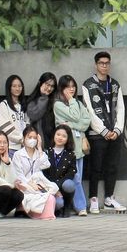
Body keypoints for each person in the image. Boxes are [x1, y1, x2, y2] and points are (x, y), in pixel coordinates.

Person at [82, 51, 127, 213]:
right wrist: (102, 130)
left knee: (112, 166)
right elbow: (88, 110)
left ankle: (109, 198)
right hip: (97, 134)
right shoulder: (88, 85)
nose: (104, 66)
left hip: (115, 133)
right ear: (96, 65)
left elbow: (121, 108)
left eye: (107, 63)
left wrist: (117, 129)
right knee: (96, 167)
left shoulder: (115, 84)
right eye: (101, 63)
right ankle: (93, 198)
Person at [53, 75, 91, 216]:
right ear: (62, 89)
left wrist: (72, 125)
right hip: (67, 147)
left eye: (73, 86)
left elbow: (86, 121)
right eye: (68, 86)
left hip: (79, 147)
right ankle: (80, 206)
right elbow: (76, 115)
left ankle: (76, 205)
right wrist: (71, 101)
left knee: (78, 178)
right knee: (74, 178)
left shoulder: (78, 103)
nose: (71, 89)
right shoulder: (58, 105)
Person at [12, 126, 58, 220]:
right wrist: (30, 184)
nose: (32, 140)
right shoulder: (18, 155)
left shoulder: (39, 154)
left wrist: (40, 148)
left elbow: (46, 164)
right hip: (25, 185)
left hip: (39, 185)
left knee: (54, 197)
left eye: (34, 138)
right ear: (24, 139)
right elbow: (19, 174)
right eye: (29, 137)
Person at [44, 125, 80, 218]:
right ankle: (58, 209)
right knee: (58, 204)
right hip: (50, 186)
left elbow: (71, 173)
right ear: (54, 135)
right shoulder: (47, 152)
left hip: (62, 185)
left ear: (68, 139)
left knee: (69, 184)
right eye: (58, 134)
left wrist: (58, 188)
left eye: (64, 136)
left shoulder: (70, 155)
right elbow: (44, 173)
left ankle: (67, 206)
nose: (60, 138)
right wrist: (54, 188)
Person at [26, 72, 58, 138]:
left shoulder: (55, 101)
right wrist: (44, 97)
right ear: (40, 83)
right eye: (47, 84)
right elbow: (34, 115)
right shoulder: (32, 101)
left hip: (52, 140)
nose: (49, 88)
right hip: (39, 139)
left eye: (52, 86)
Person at [3, 75, 29, 151]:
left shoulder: (23, 104)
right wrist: (21, 139)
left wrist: (27, 138)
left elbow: (27, 123)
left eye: (19, 86)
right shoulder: (4, 105)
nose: (17, 88)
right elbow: (5, 127)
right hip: (11, 147)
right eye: (14, 86)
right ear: (9, 88)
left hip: (24, 147)